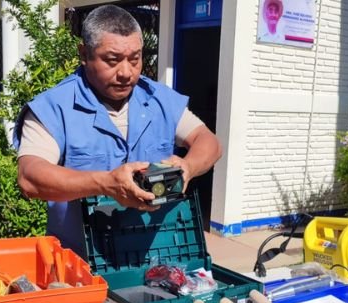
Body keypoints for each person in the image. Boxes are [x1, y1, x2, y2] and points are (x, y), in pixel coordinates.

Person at [14, 5, 222, 257]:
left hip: (156, 258)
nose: (126, 72)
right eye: (112, 60)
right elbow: (30, 176)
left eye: (135, 59)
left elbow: (208, 141)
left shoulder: (159, 100)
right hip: (80, 263)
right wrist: (105, 183)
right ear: (84, 53)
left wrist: (188, 167)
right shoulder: (53, 108)